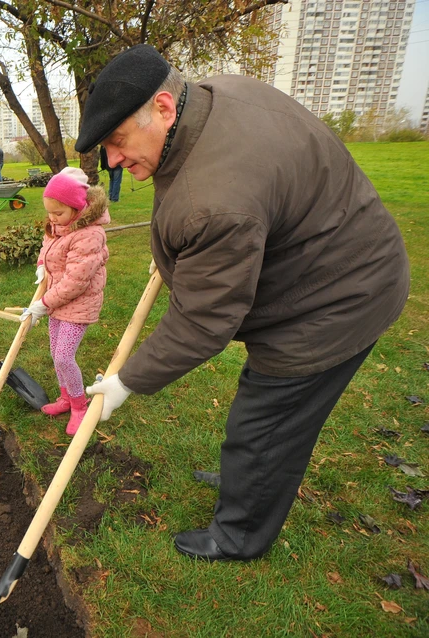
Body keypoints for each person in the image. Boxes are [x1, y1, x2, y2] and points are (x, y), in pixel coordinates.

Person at [77, 45, 409, 562]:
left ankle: (240, 531)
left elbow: (203, 321)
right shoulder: (214, 98)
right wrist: (179, 255)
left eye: (117, 142)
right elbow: (207, 212)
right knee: (259, 417)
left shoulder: (215, 199)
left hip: (338, 296)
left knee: (266, 421)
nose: (113, 160)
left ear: (163, 108)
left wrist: (128, 381)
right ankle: (250, 476)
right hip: (328, 256)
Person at [21, 168, 110, 435]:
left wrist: (44, 304)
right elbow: (46, 246)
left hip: (78, 304)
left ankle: (79, 406)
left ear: (77, 207)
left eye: (58, 213)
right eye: (49, 212)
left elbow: (75, 282)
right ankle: (66, 398)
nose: (52, 218)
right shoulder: (59, 224)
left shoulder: (89, 235)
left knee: (63, 356)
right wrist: (41, 265)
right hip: (58, 301)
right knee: (55, 353)